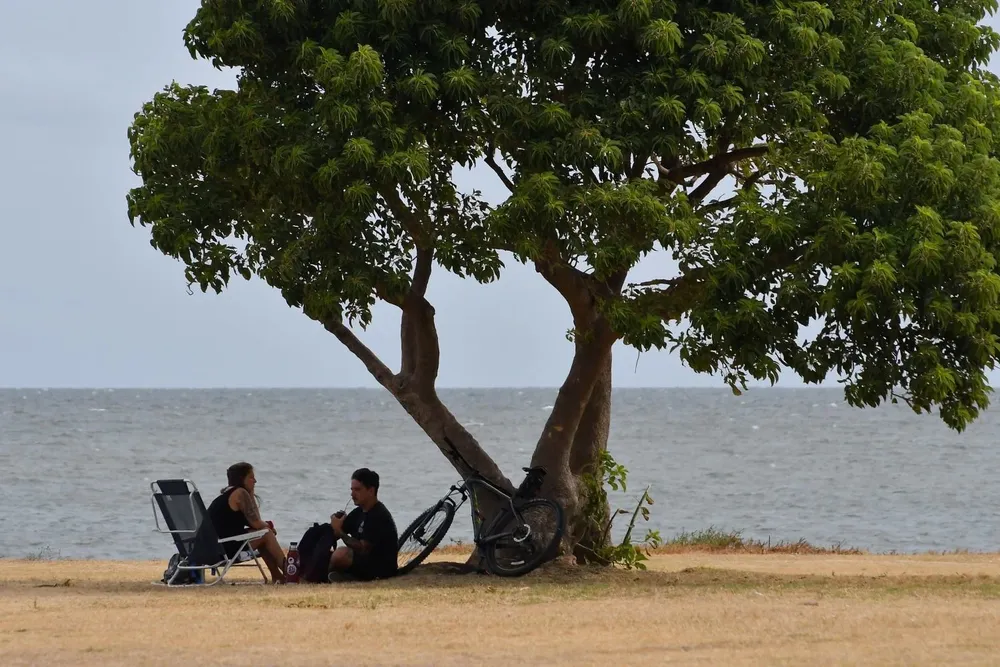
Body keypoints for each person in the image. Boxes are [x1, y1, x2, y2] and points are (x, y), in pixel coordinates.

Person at [207, 462, 286, 583]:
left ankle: (278, 576)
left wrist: (251, 493)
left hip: (215, 547)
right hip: (225, 548)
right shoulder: (240, 493)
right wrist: (269, 527)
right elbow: (257, 523)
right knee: (266, 534)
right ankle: (290, 573)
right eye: (251, 477)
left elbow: (256, 523)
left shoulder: (226, 495)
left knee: (263, 533)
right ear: (241, 479)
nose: (255, 481)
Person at [329, 468, 399, 581]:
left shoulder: (379, 515)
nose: (352, 494)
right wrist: (334, 525)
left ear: (371, 491)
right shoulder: (359, 512)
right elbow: (336, 532)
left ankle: (336, 576)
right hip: (363, 562)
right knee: (325, 553)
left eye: (357, 490)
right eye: (352, 490)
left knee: (341, 554)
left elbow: (363, 549)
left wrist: (340, 533)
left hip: (380, 568)